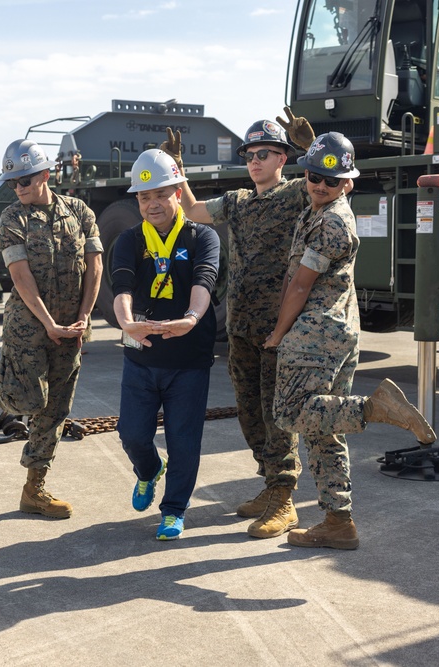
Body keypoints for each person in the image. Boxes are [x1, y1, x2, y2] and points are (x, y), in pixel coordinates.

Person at [263, 133, 437, 550]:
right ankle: (338, 521)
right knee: (324, 428)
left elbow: (301, 286)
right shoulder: (319, 209)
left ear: (348, 184)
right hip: (338, 333)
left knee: (290, 413)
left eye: (331, 179)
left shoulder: (332, 222)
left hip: (315, 334)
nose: (320, 184)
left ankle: (377, 408)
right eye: (314, 175)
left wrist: (278, 333)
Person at [169, 110, 317, 539]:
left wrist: (313, 148)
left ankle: (284, 499)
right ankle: (269, 485)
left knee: (277, 414)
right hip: (241, 324)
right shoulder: (237, 201)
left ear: (282, 159)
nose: (254, 161)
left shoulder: (295, 195)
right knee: (249, 412)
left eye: (264, 153)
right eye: (250, 154)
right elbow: (193, 210)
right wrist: (176, 170)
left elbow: (333, 185)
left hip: (279, 326)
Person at [0, 139, 102, 518]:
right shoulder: (12, 219)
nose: (18, 188)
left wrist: (83, 317)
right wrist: (49, 323)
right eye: (14, 182)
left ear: (45, 175)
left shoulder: (80, 212)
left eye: (25, 180)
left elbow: (95, 266)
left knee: (56, 409)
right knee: (28, 402)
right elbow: (20, 277)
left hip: (72, 329)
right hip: (29, 328)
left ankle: (35, 489)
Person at [112, 149, 220, 540]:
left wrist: (190, 319)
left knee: (184, 439)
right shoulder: (128, 240)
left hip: (189, 359)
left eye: (160, 193)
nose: (152, 203)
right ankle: (148, 470)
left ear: (178, 191)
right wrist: (127, 323)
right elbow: (122, 288)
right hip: (141, 356)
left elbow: (203, 282)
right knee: (132, 435)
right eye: (144, 197)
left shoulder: (202, 236)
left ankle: (174, 509)